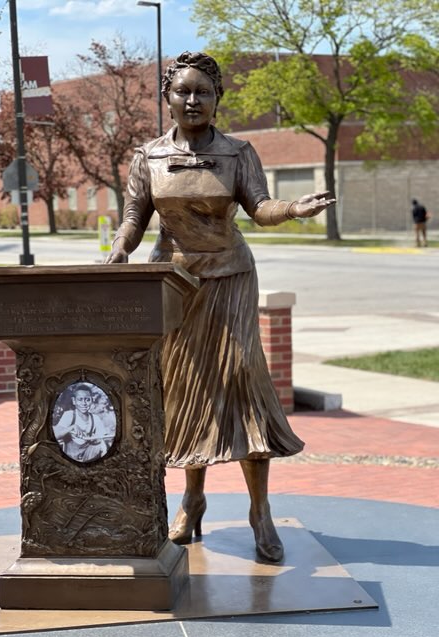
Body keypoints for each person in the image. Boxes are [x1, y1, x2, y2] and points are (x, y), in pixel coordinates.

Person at [105, 51, 335, 563]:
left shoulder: (238, 152)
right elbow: (134, 218)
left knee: (240, 387)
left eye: (202, 92)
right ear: (167, 98)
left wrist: (294, 209)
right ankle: (192, 499)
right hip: (177, 283)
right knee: (187, 393)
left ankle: (260, 511)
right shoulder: (148, 157)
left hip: (231, 278)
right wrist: (120, 248)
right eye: (183, 91)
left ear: (217, 99)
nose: (192, 100)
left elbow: (260, 207)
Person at [53, 384, 112, 463]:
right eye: (80, 399)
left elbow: (104, 438)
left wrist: (96, 438)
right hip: (70, 458)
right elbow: (56, 434)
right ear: (74, 401)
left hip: (88, 456)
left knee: (102, 445)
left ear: (92, 400)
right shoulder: (69, 415)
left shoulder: (95, 418)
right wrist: (72, 427)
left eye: (87, 400)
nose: (84, 403)